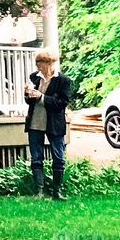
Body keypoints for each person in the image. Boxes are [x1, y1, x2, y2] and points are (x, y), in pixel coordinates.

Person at [24, 49, 71, 200]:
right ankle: (39, 191)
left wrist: (42, 97)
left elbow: (61, 103)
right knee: (36, 157)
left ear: (50, 63)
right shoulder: (35, 78)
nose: (38, 65)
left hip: (54, 124)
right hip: (35, 121)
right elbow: (30, 102)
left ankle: (56, 191)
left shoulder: (63, 81)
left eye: (40, 62)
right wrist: (28, 94)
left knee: (58, 157)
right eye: (37, 62)